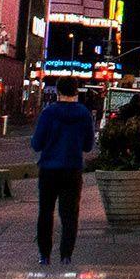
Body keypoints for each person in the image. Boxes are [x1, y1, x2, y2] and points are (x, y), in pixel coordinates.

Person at [31, 84, 96, 265]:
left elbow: (37, 143)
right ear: (76, 93)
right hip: (72, 169)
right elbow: (88, 146)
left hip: (49, 169)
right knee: (69, 215)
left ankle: (44, 255)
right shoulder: (84, 114)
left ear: (58, 92)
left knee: (45, 212)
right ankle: (66, 255)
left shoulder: (48, 113)